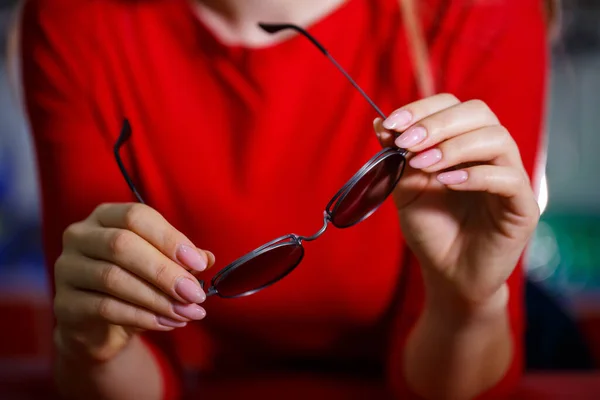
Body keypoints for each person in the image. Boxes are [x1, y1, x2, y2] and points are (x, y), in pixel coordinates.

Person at [19, 0, 551, 398]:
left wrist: (467, 304)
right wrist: (92, 347)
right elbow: (123, 355)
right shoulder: (74, 21)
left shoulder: (485, 14)